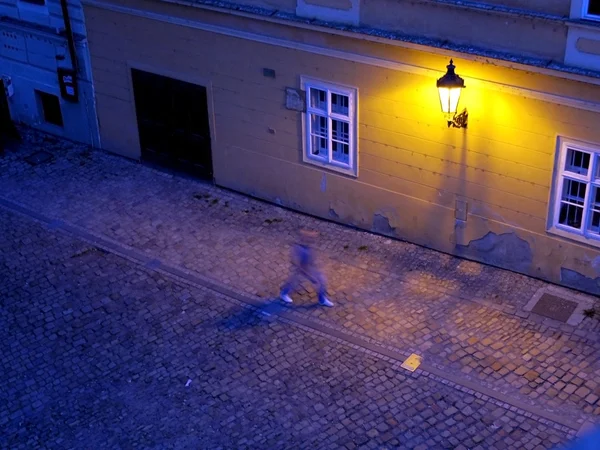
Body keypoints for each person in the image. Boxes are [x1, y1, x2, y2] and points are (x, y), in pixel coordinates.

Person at [280, 228, 334, 307]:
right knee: (293, 282)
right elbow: (297, 264)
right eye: (311, 238)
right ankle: (284, 293)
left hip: (310, 268)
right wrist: (310, 277)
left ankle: (322, 299)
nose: (313, 240)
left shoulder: (309, 246)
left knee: (322, 281)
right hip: (299, 270)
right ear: (304, 238)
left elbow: (311, 258)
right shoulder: (297, 248)